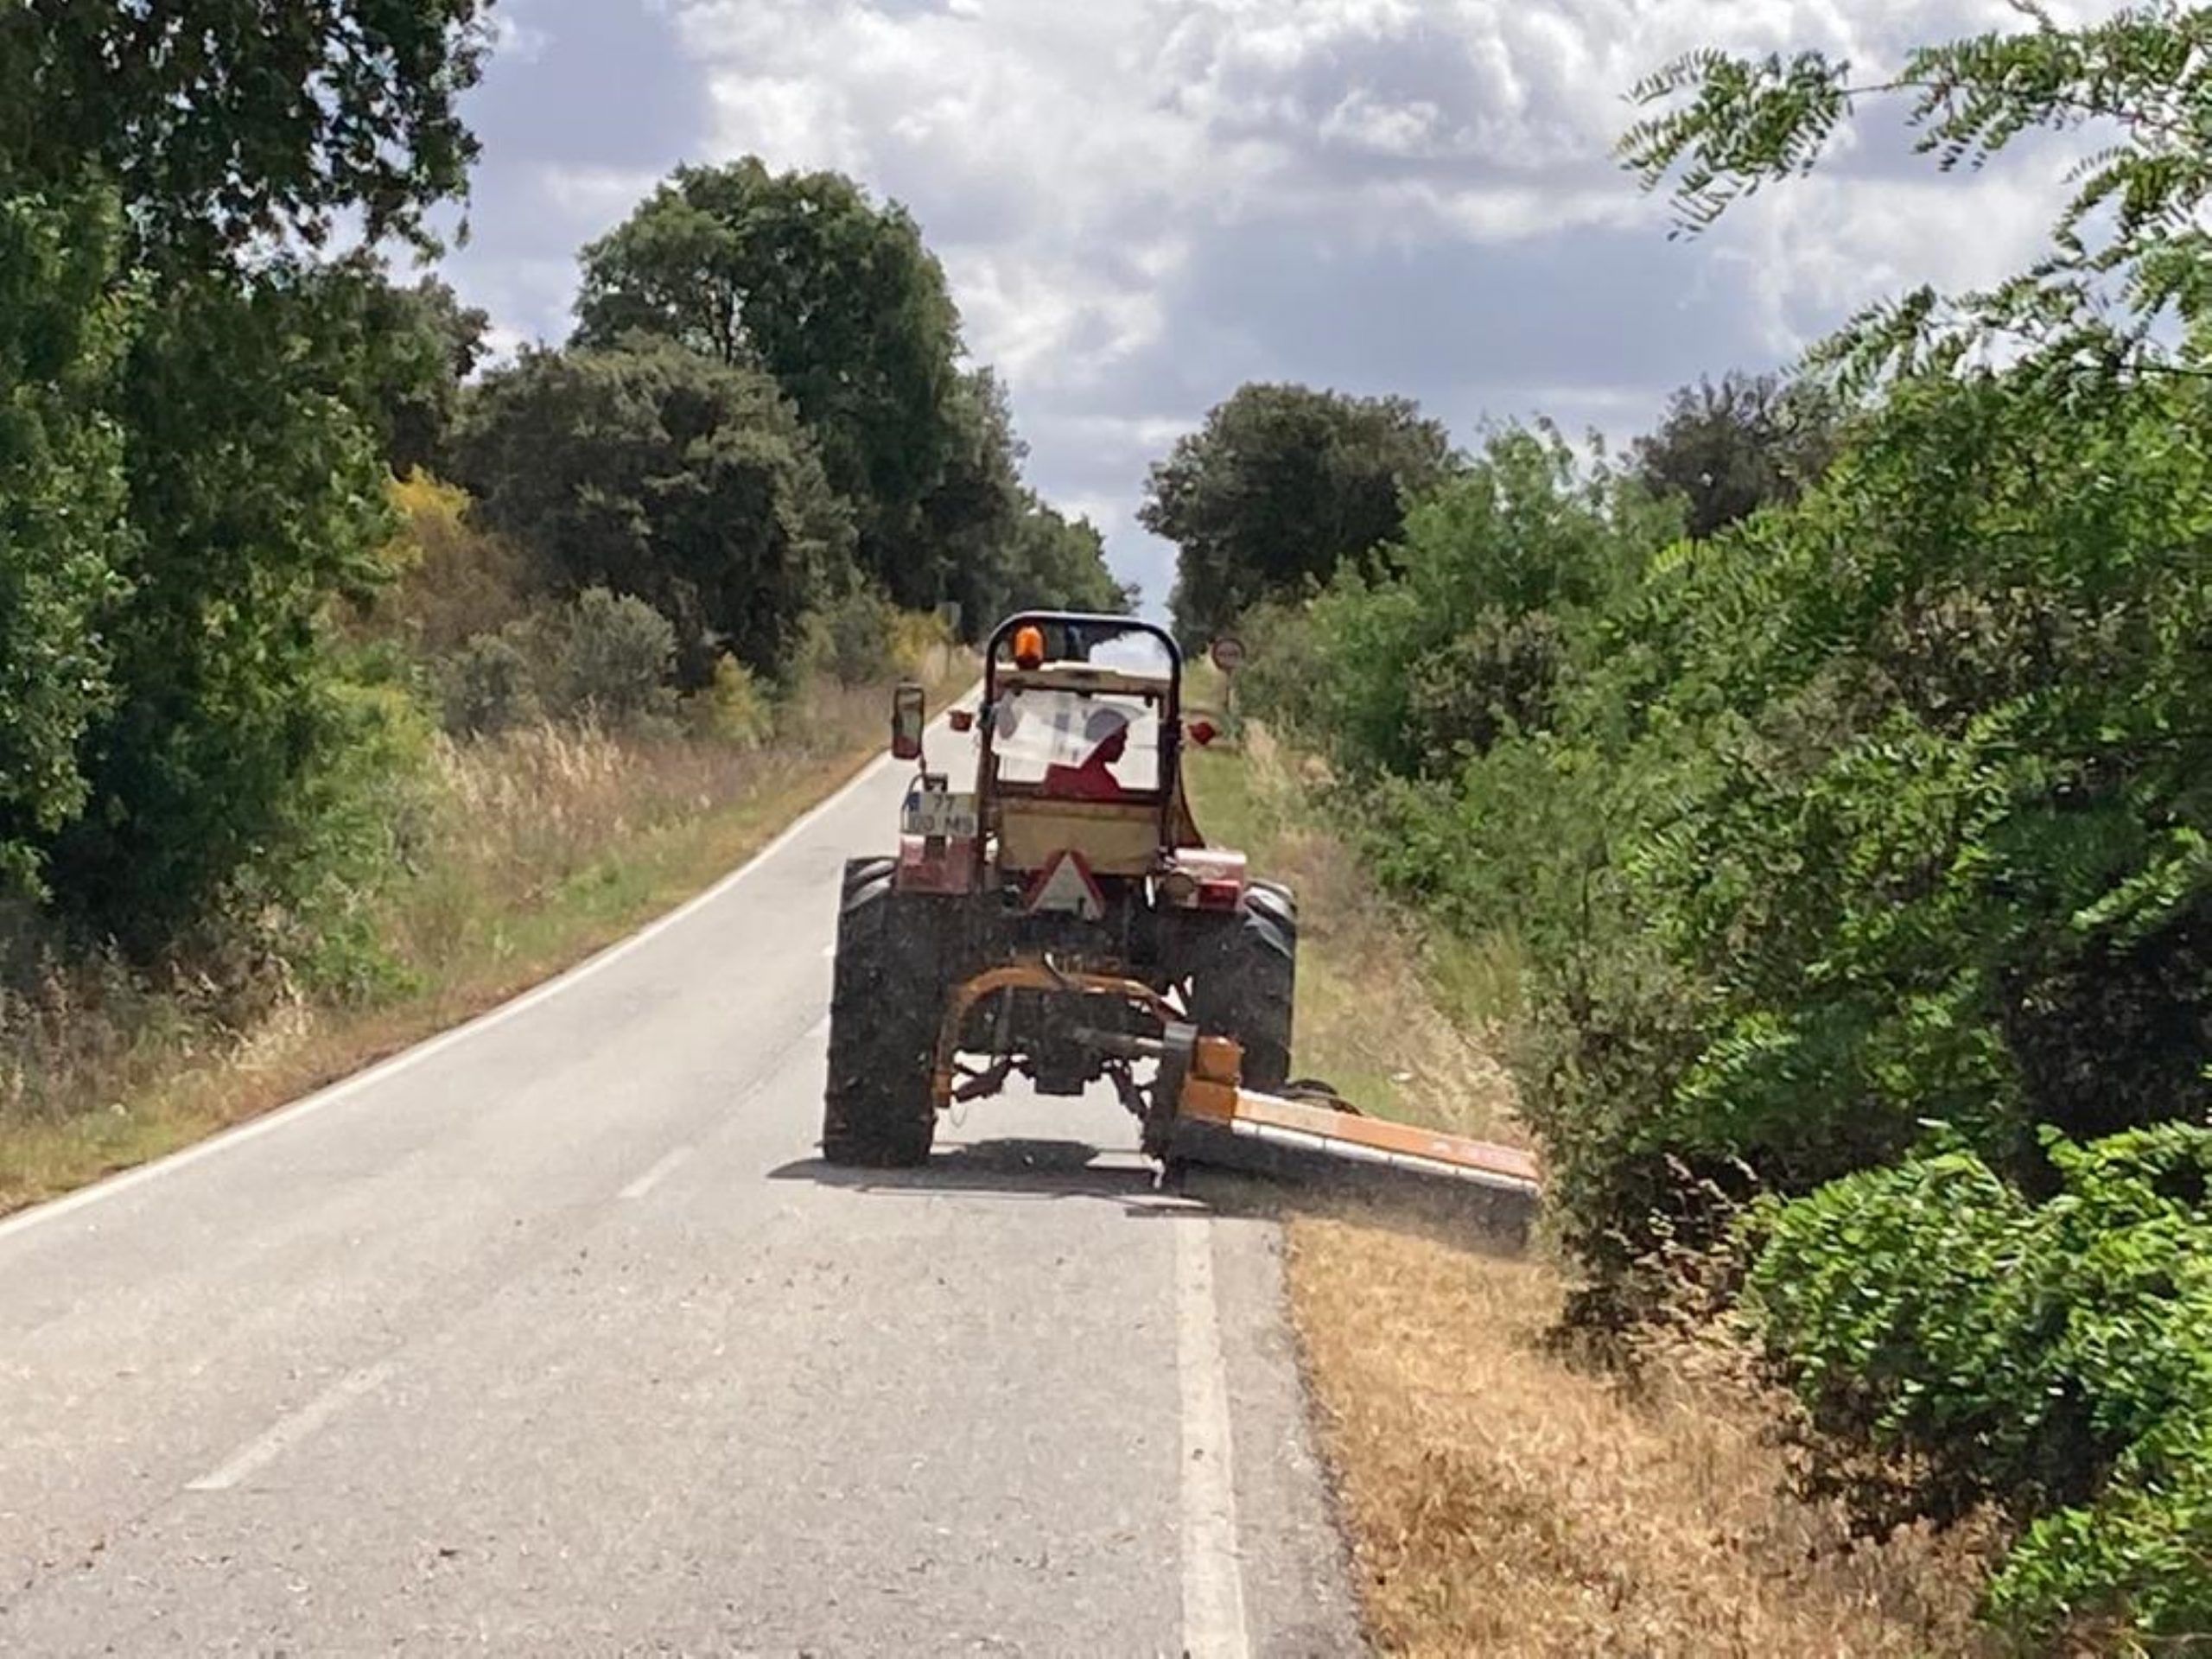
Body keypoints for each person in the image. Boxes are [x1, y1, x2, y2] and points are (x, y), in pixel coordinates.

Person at [1043, 704, 1132, 801]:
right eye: (1119, 740)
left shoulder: (1061, 767)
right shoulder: (1102, 783)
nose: (1123, 748)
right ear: (1102, 739)